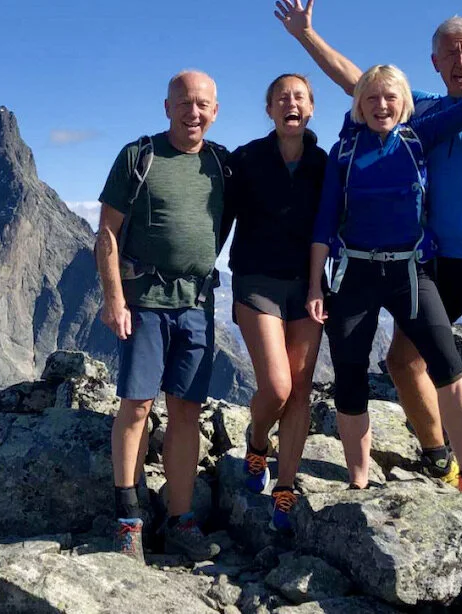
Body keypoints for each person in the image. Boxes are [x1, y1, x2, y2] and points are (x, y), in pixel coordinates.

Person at [278, 0, 462, 528]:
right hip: (432, 260)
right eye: (450, 53)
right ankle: (440, 457)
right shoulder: (422, 111)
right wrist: (306, 36)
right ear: (435, 62)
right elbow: (359, 82)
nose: (461, 61)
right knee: (401, 363)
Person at [96, 70, 230, 563]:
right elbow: (107, 233)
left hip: (197, 304)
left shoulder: (222, 165)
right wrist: (114, 298)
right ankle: (128, 520)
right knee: (136, 406)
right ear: (167, 107)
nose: (193, 112)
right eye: (184, 103)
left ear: (215, 111)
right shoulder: (140, 156)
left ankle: (180, 519)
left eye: (202, 104)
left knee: (187, 412)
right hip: (145, 302)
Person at [225, 73, 328, 532]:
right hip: (256, 283)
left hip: (308, 286)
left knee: (301, 390)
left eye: (299, 97)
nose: (291, 103)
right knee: (279, 388)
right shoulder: (246, 159)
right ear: (269, 110)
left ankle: (284, 489)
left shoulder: (324, 164)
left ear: (311, 108)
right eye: (282, 98)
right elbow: (220, 218)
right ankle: (258, 439)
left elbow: (334, 225)